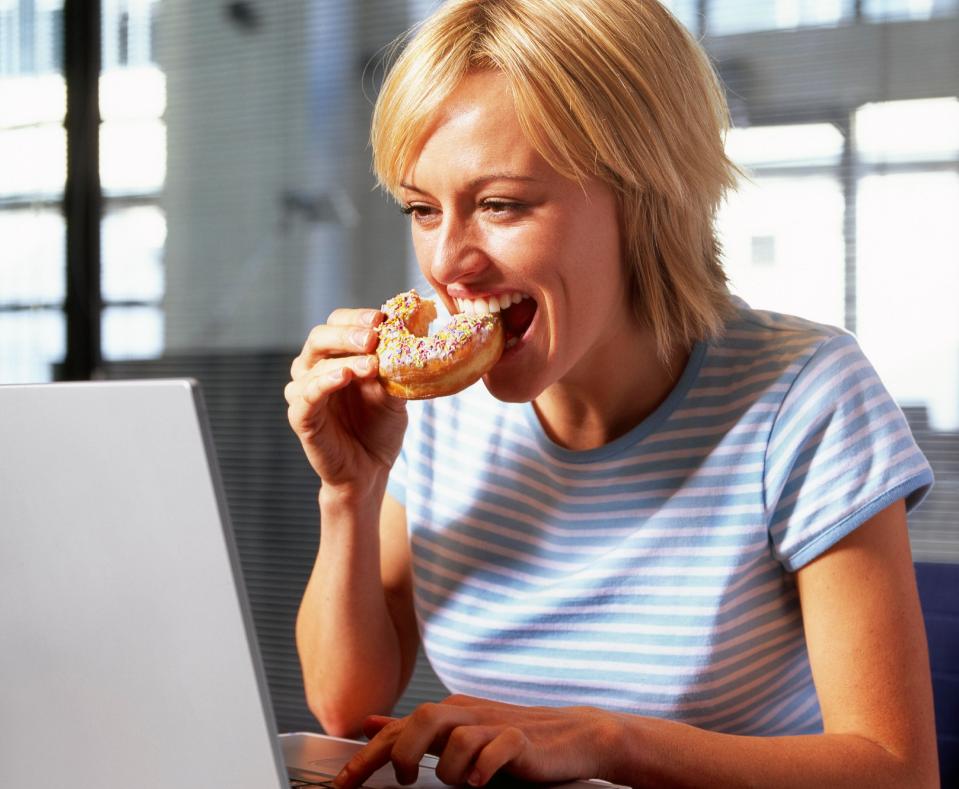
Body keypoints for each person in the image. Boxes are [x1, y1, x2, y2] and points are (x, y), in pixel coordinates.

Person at [284, 0, 939, 786]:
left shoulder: (805, 393)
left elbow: (895, 770)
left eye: (499, 204)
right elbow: (341, 706)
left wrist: (605, 740)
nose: (447, 262)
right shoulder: (438, 412)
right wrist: (350, 493)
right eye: (422, 209)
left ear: (645, 194)